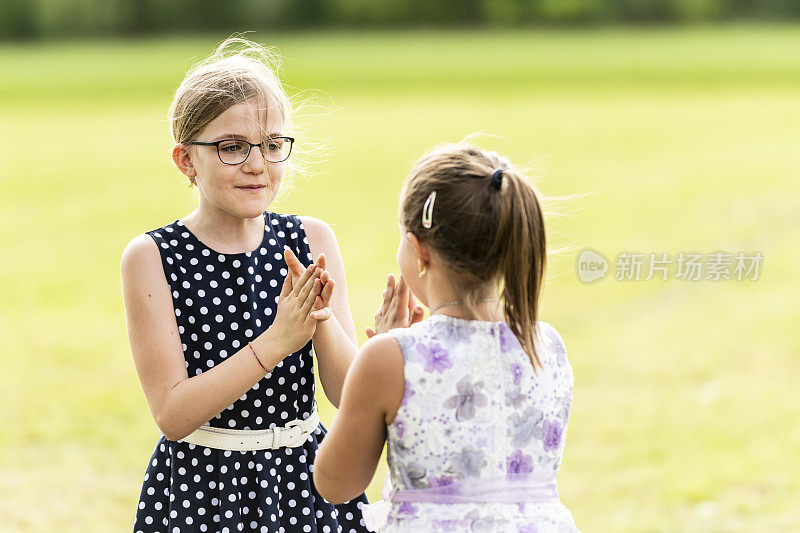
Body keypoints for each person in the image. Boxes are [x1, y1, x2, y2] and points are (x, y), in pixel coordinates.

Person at [121, 37, 370, 532]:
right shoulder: (152, 257)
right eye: (233, 148)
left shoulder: (310, 238)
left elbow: (346, 395)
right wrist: (276, 342)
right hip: (205, 489)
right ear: (185, 159)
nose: (258, 164)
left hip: (307, 481)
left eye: (273, 146)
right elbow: (173, 414)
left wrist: (318, 322)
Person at [313, 143, 580, 532]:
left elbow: (335, 484)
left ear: (419, 251)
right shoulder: (547, 343)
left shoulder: (391, 357)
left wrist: (383, 353)